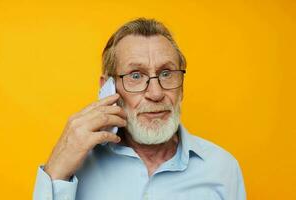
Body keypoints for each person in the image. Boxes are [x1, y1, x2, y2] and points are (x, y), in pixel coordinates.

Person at [33, 18, 246, 200]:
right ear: (107, 89)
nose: (155, 93)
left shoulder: (222, 168)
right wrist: (56, 170)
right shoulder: (76, 167)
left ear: (181, 87)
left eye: (166, 73)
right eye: (136, 75)